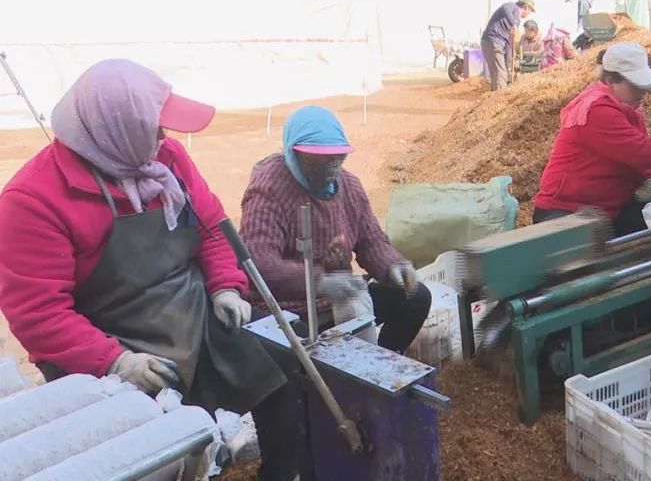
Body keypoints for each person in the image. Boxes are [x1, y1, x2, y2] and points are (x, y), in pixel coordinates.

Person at [0, 59, 301, 481]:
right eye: (154, 126)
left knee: (282, 367)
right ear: (115, 129)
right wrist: (117, 360)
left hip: (193, 311)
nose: (164, 136)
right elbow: (39, 315)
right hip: (107, 341)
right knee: (154, 451)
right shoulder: (33, 199)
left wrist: (225, 288)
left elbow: (212, 229)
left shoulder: (167, 161)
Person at [239, 105, 431, 354]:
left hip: (339, 300)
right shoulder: (269, 188)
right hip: (288, 310)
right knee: (293, 352)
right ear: (294, 154)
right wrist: (321, 282)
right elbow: (259, 263)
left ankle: (382, 363)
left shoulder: (349, 185)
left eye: (336, 159)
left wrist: (392, 265)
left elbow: (371, 240)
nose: (331, 167)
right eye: (319, 161)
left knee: (415, 298)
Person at [532, 42, 651, 236]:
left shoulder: (625, 106)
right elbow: (639, 151)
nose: (643, 92)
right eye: (635, 85)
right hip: (566, 211)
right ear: (612, 80)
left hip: (606, 208)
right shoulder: (597, 110)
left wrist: (649, 178)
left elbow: (630, 149)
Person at [481, 0, 535, 91]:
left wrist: (508, 64)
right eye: (530, 11)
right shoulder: (512, 6)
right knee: (500, 76)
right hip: (492, 40)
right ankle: (498, 102)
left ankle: (495, 99)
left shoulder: (517, 21)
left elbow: (509, 44)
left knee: (500, 74)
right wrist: (513, 24)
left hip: (499, 45)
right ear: (526, 7)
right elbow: (505, 9)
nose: (528, 14)